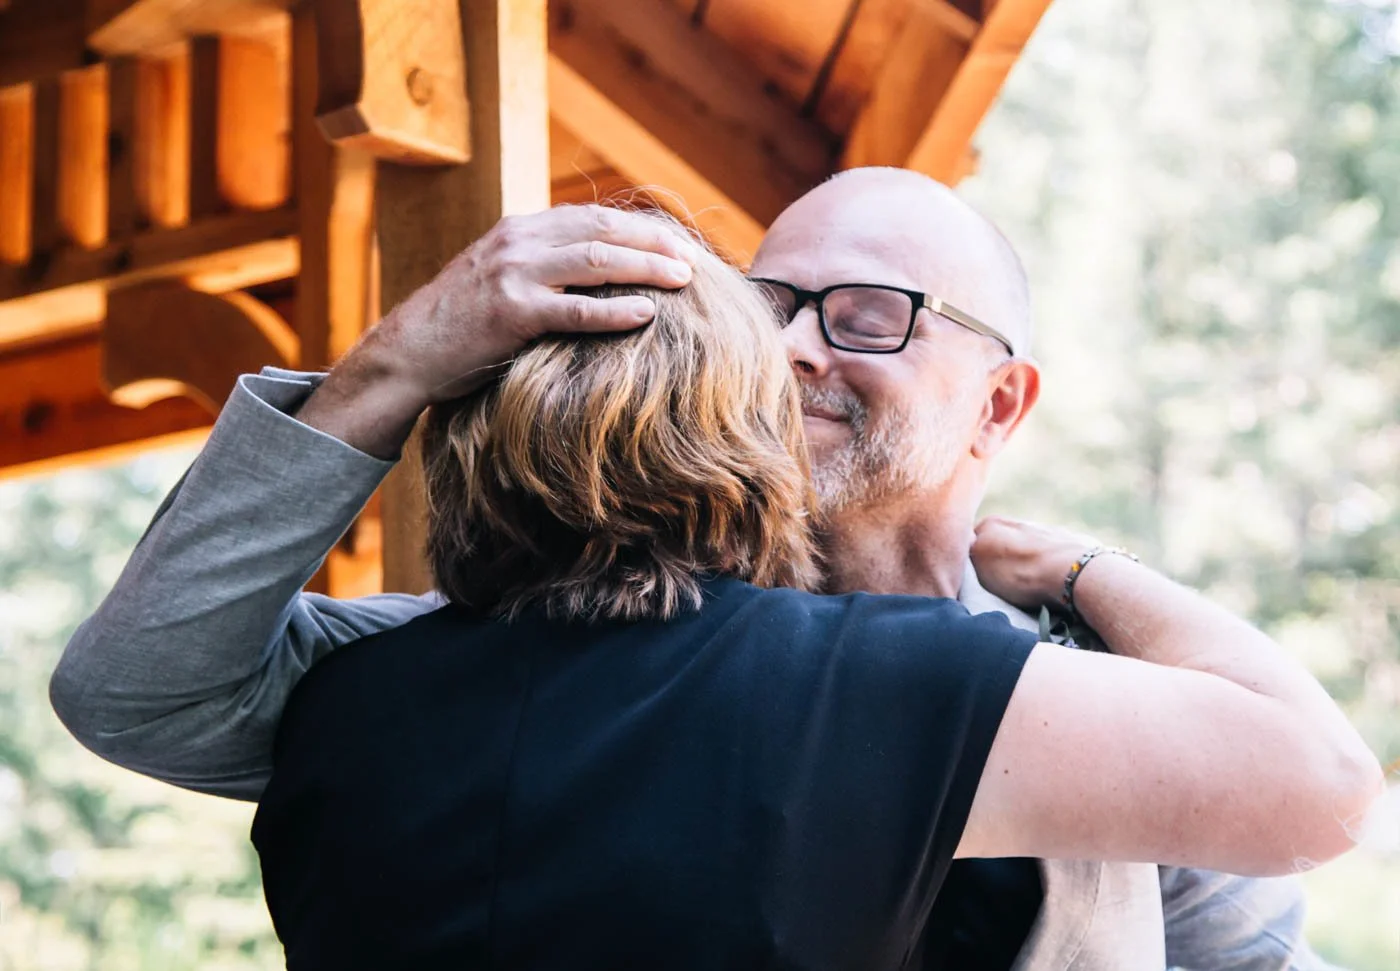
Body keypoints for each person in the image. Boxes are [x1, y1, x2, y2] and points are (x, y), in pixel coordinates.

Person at [50, 188, 1381, 967]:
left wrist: (1084, 571)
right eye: (767, 304)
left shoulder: (1118, 701)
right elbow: (135, 688)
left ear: (999, 406)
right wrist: (394, 363)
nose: (795, 349)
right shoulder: (531, 662)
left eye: (867, 314)